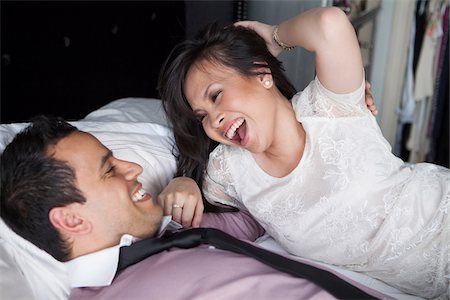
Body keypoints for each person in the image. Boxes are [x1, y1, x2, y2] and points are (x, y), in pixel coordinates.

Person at [157, 7, 449, 299]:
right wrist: (184, 184)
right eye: (202, 116)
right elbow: (233, 226)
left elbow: (329, 22)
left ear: (261, 73)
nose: (213, 120)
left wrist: (274, 36)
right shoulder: (227, 169)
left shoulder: (328, 106)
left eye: (216, 95)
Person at [0, 115, 391, 299]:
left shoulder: (172, 231)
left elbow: (260, 214)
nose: (134, 167)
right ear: (70, 218)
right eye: (109, 170)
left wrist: (193, 184)